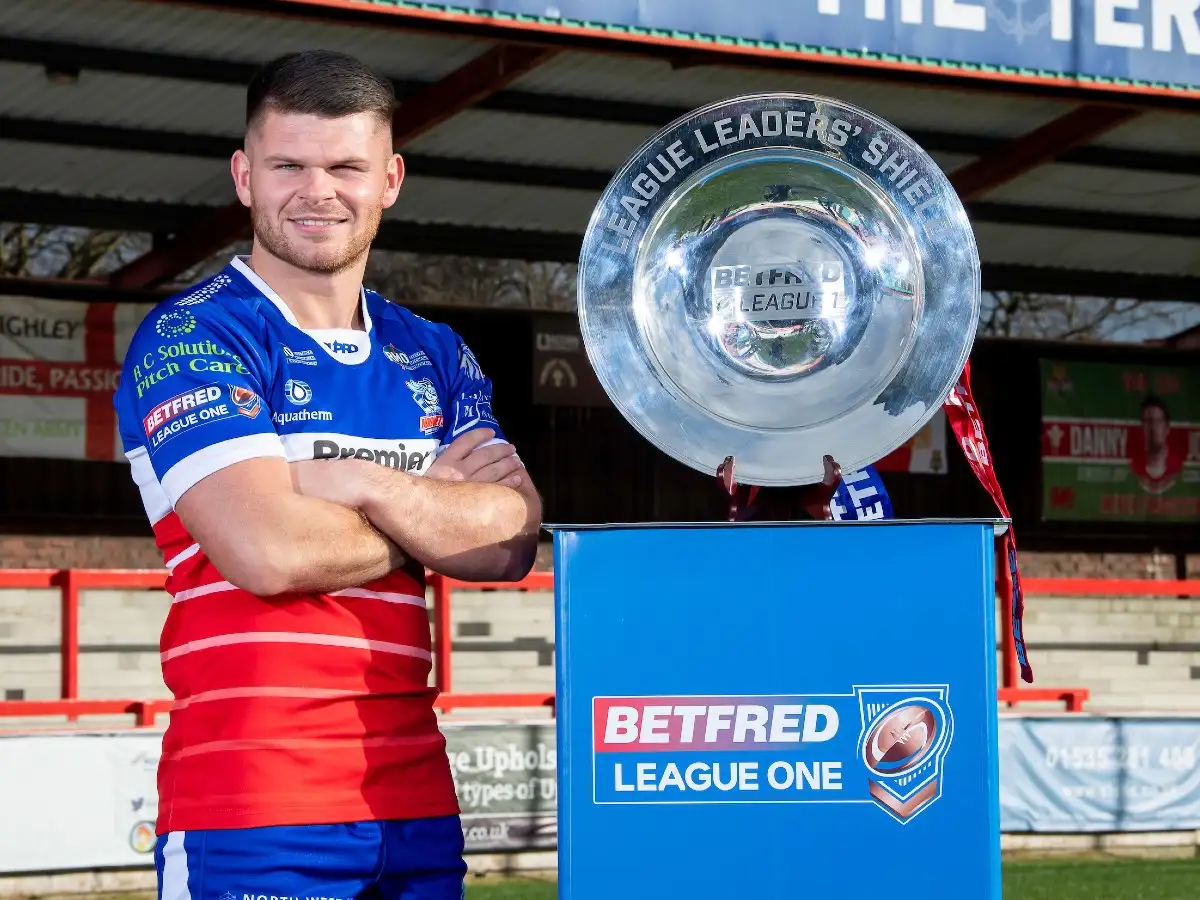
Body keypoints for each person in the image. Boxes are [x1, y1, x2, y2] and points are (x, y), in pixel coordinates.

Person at [114, 50, 542, 900]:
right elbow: (268, 551)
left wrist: (364, 481)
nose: (319, 191)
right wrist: (431, 508)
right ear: (245, 177)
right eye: (289, 166)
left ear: (390, 179)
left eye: (347, 166)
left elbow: (511, 540)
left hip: (418, 803)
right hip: (254, 805)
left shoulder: (435, 352)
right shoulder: (195, 337)